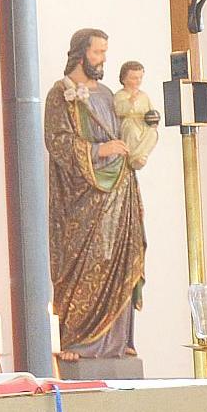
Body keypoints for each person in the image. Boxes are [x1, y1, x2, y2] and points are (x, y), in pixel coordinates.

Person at [46, 28, 146, 362]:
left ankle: (118, 341)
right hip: (83, 201)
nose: (103, 60)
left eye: (105, 52)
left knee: (119, 262)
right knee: (88, 261)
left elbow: (126, 132)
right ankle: (77, 338)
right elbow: (57, 141)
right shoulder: (60, 94)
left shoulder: (106, 94)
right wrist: (100, 149)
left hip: (119, 192)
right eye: (97, 53)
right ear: (79, 53)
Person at [112, 60, 159, 170]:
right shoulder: (120, 95)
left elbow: (150, 110)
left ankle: (141, 155)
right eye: (134, 78)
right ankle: (133, 157)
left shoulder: (144, 95)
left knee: (152, 134)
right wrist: (130, 101)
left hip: (143, 122)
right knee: (132, 131)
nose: (138, 81)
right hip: (129, 122)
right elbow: (118, 110)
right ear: (124, 79)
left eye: (140, 78)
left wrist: (154, 120)